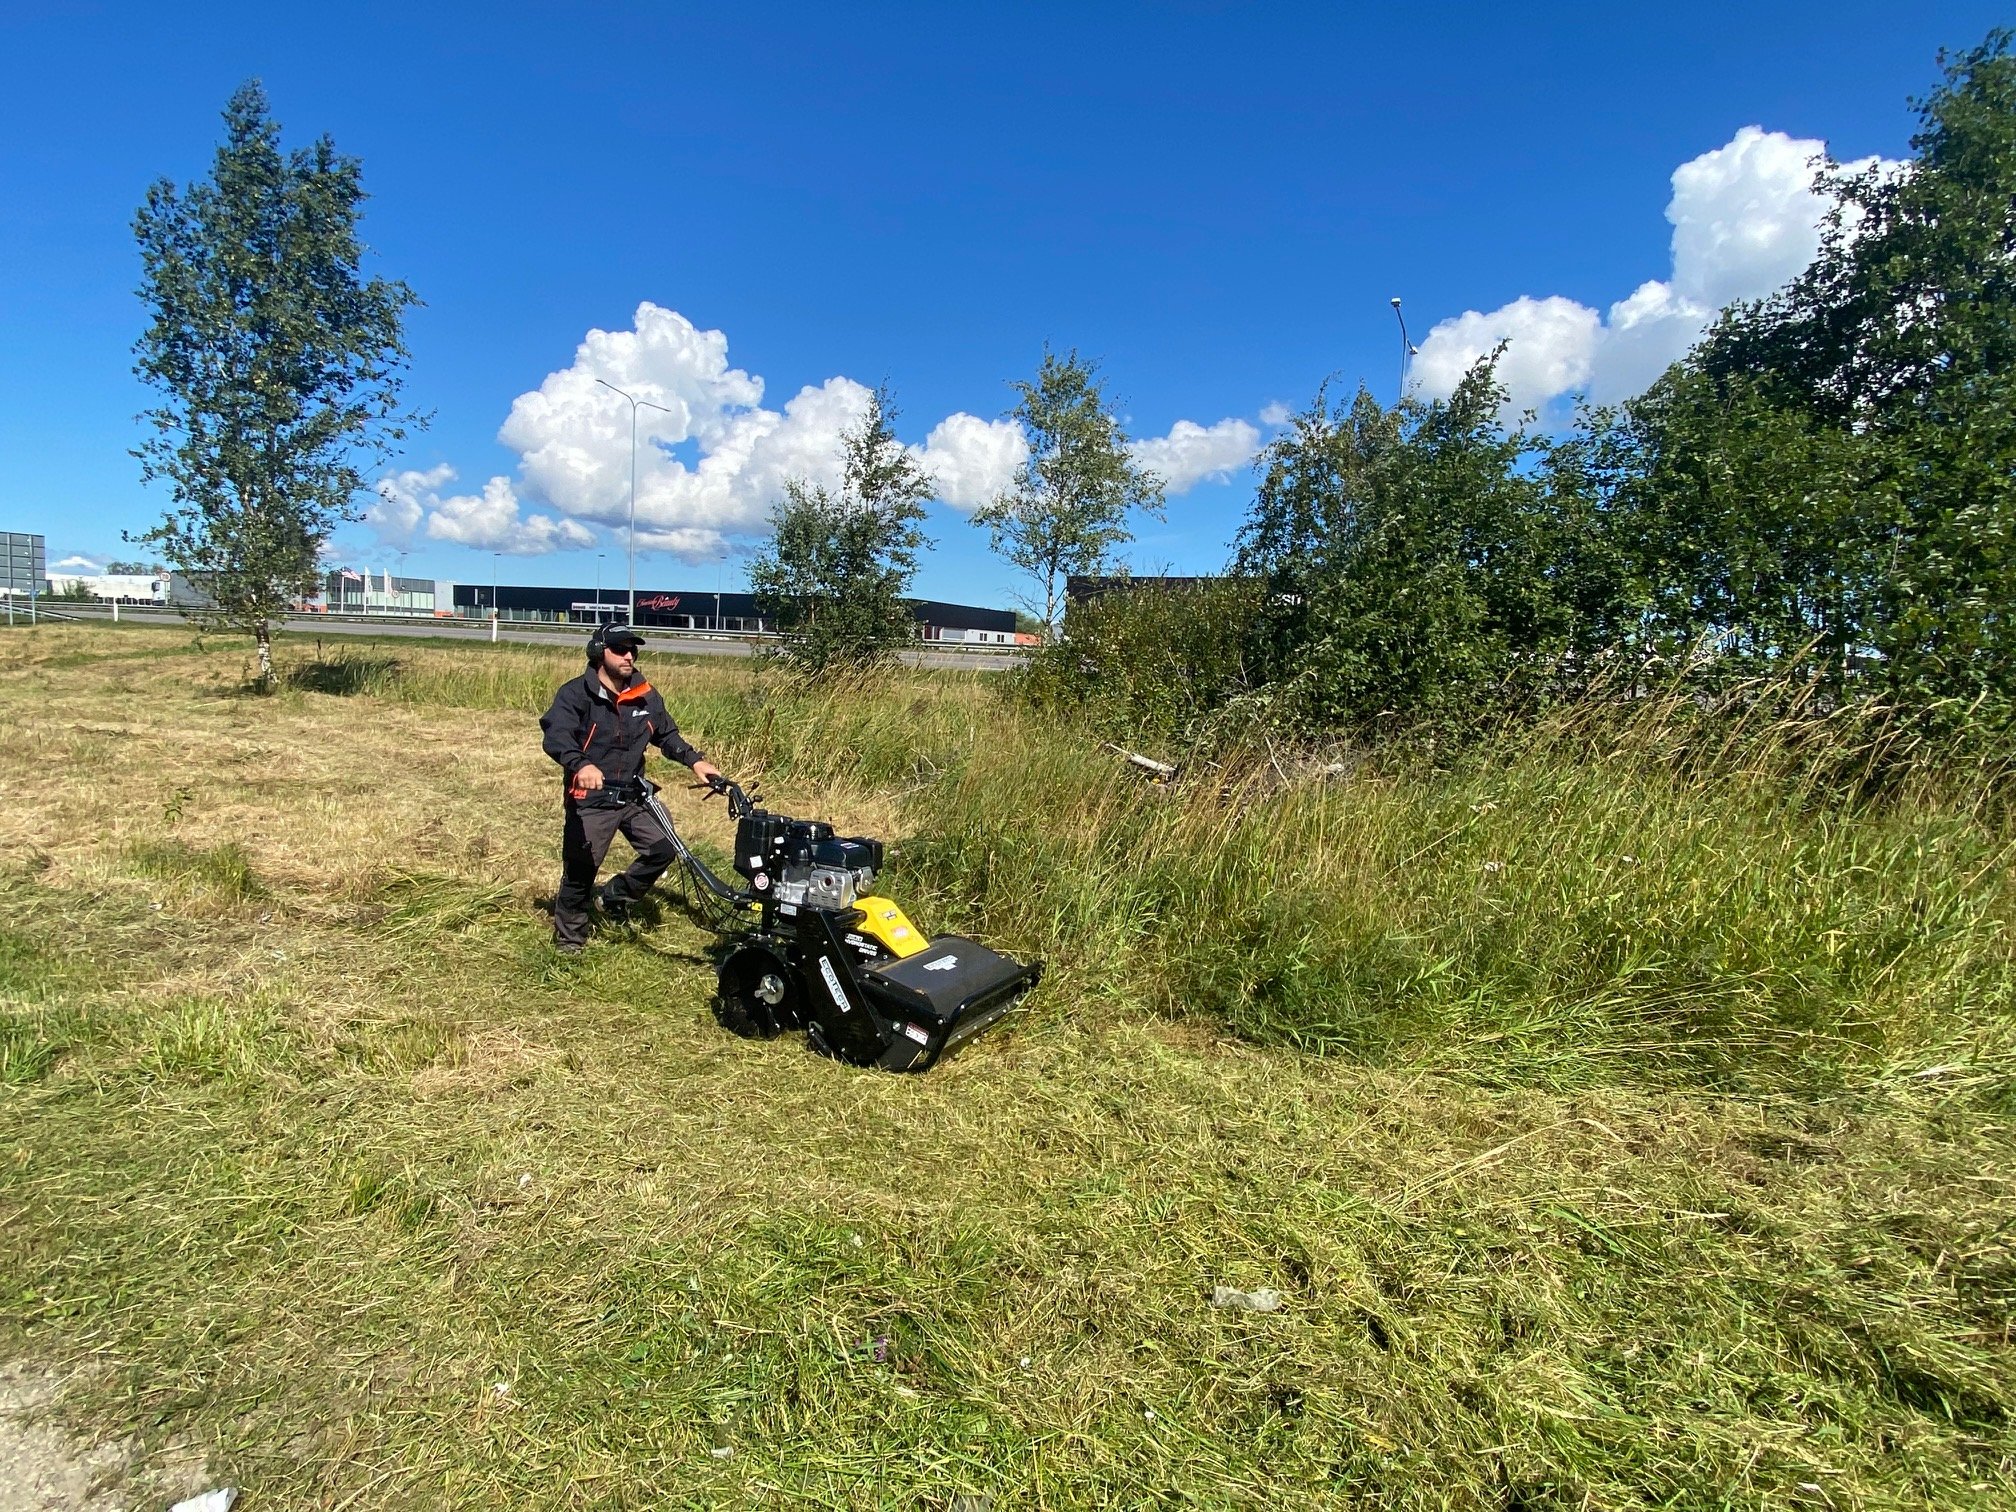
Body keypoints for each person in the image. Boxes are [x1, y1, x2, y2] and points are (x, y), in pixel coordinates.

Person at [539, 621, 722, 953]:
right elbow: (557, 736)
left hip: (635, 796)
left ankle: (616, 897)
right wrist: (581, 764)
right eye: (620, 649)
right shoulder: (576, 694)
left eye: (632, 650)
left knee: (663, 848)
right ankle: (570, 940)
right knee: (581, 871)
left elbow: (666, 734)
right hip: (591, 797)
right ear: (599, 652)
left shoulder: (644, 694)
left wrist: (695, 761)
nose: (629, 656)